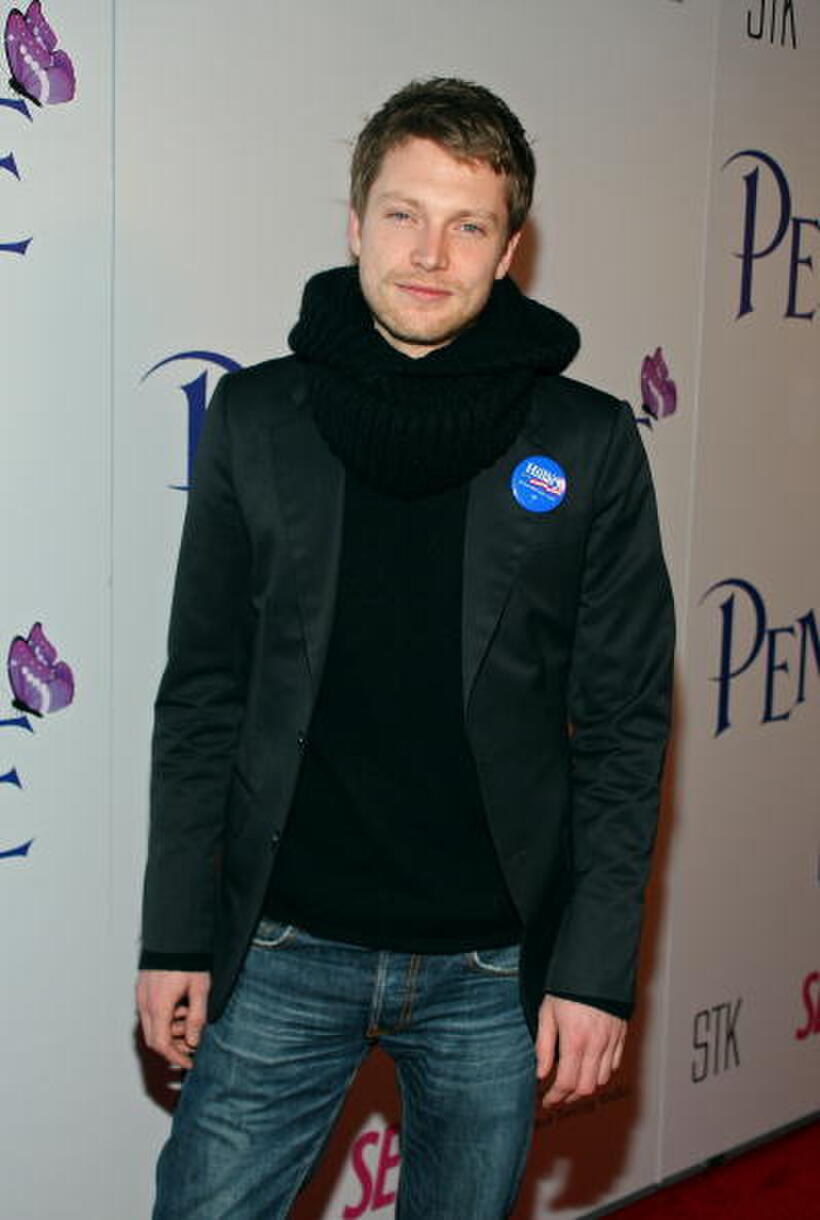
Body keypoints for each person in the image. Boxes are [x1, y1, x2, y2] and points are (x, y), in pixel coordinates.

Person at [137, 77, 674, 1219]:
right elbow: (202, 694)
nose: (429, 251)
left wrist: (592, 968)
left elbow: (625, 721)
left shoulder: (585, 442)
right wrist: (177, 929)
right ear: (353, 220)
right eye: (401, 213)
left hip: (491, 969)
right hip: (279, 942)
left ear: (510, 246)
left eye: (467, 223)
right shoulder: (258, 418)